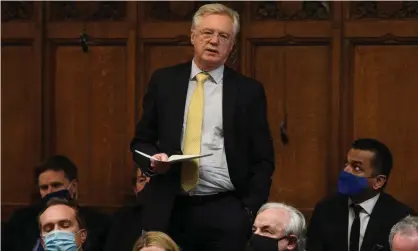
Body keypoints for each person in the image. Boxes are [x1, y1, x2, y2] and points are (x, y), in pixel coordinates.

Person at [130, 3, 275, 251]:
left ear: (232, 45)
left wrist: (249, 208)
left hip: (226, 208)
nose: (214, 41)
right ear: (193, 36)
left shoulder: (248, 91)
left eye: (224, 36)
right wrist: (153, 162)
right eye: (207, 33)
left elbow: (263, 158)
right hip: (169, 206)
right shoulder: (164, 81)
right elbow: (141, 141)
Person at [307, 138, 415, 251]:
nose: (346, 171)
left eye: (356, 168)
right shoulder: (325, 210)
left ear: (378, 181)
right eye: (346, 164)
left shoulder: (401, 218)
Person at [3, 155, 110, 251]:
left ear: (73, 187)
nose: (50, 192)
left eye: (56, 185)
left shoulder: (98, 223)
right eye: (44, 188)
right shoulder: (21, 221)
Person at [103, 167, 150, 251]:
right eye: (142, 180)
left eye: (155, 180)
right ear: (135, 189)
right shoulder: (122, 218)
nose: (148, 185)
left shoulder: (176, 217)